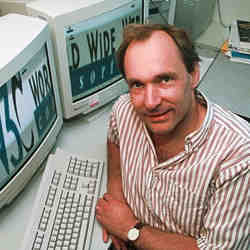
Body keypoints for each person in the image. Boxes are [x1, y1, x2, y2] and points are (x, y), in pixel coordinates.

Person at [95, 23, 250, 250]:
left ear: (193, 74)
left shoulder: (239, 157)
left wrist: (131, 229)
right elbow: (114, 139)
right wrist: (116, 194)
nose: (150, 102)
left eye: (164, 79)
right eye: (137, 84)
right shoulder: (124, 109)